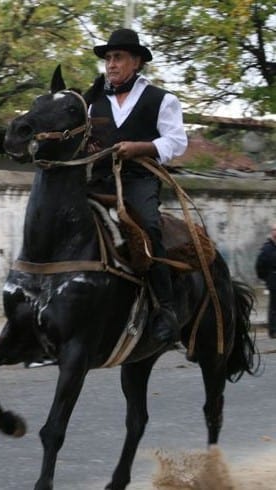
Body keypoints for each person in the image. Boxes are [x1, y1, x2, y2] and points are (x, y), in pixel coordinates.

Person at [85, 28, 188, 344]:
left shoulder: (161, 99)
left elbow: (177, 141)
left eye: (118, 58)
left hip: (138, 181)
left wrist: (140, 148)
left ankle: (166, 311)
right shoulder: (92, 101)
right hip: (100, 179)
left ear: (137, 62)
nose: (111, 64)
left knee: (149, 227)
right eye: (108, 59)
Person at [256, 223, 276, 339]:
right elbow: (260, 265)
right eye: (275, 230)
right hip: (274, 282)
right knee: (274, 307)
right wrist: (267, 278)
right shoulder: (267, 248)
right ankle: (273, 330)